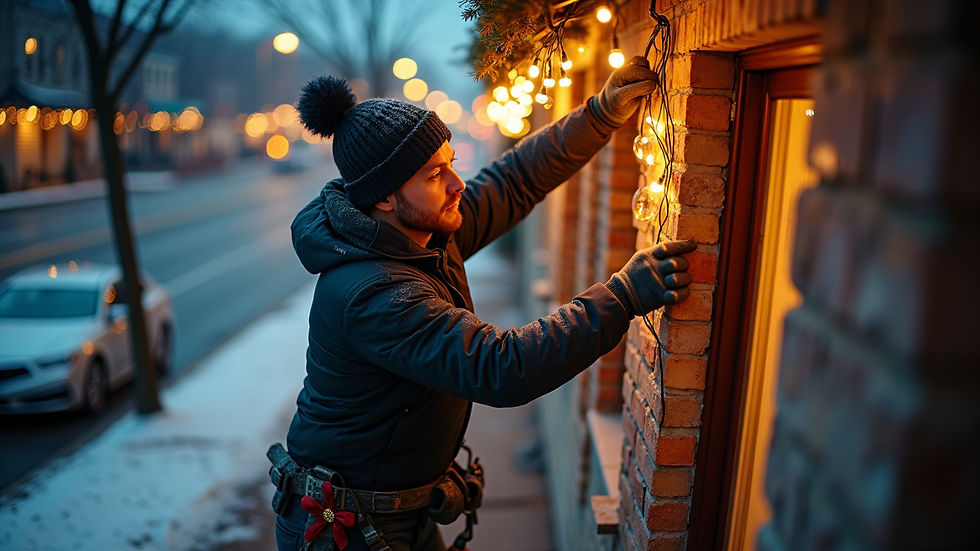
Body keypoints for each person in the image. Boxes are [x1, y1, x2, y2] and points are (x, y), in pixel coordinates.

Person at [269, 57, 697, 551]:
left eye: (451, 163)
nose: (457, 184)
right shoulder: (373, 293)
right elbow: (501, 367)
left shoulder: (422, 232)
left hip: (395, 509)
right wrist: (622, 296)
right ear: (385, 197)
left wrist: (599, 114)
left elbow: (515, 180)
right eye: (435, 174)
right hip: (344, 530)